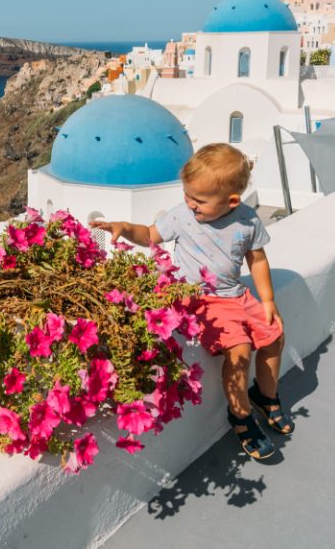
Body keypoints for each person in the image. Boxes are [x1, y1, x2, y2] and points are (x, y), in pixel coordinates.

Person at [92, 143, 293, 460]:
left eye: (199, 200)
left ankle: (265, 396)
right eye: (187, 195)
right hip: (201, 302)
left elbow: (257, 260)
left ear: (231, 201)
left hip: (237, 294)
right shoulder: (183, 216)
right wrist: (124, 227)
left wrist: (267, 299)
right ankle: (240, 416)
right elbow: (150, 235)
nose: (190, 204)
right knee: (239, 350)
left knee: (275, 338)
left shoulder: (248, 220)